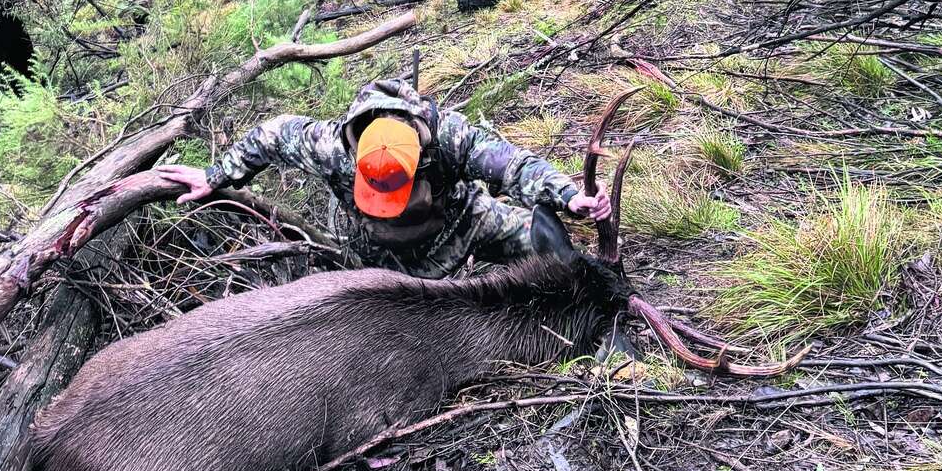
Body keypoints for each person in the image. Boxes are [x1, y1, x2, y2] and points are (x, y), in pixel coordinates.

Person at [156, 76, 612, 278]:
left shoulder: (451, 139)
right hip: (369, 250)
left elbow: (513, 166)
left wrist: (571, 196)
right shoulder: (331, 147)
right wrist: (215, 175)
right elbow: (271, 136)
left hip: (458, 224)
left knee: (545, 249)